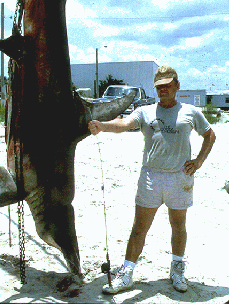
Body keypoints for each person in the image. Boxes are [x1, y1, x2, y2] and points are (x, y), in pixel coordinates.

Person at [88, 65, 216, 294]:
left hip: (180, 177)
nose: (163, 89)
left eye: (168, 85)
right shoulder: (145, 111)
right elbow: (125, 124)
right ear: (155, 88)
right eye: (159, 86)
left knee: (178, 226)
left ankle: (177, 269)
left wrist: (198, 161)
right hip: (151, 177)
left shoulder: (191, 111)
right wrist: (103, 126)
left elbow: (209, 135)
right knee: (139, 228)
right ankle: (126, 273)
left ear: (177, 85)